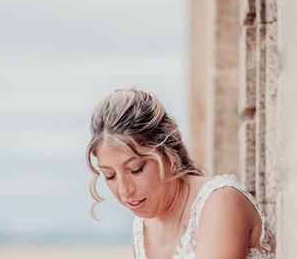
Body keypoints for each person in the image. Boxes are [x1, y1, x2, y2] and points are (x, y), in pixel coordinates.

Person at [86, 88, 275, 259]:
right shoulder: (141, 230)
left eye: (136, 169)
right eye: (110, 176)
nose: (124, 190)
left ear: (167, 152)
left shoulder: (221, 201)